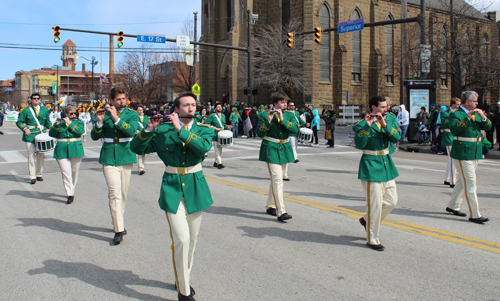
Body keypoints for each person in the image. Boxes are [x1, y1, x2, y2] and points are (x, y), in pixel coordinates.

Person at [131, 92, 213, 301]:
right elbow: (136, 148)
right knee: (181, 238)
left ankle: (181, 277)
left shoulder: (203, 130)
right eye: (186, 105)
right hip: (172, 188)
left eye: (193, 105)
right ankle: (183, 291)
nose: (191, 108)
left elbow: (203, 148)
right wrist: (149, 128)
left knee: (192, 240)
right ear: (176, 109)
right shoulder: (162, 131)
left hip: (195, 186)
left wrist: (180, 129)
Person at [91, 87, 140, 244]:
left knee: (123, 194)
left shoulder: (132, 114)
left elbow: (131, 131)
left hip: (125, 155)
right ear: (111, 101)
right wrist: (99, 123)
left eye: (124, 98)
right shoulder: (104, 115)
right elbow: (94, 136)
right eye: (118, 99)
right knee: (115, 193)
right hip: (108, 156)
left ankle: (118, 220)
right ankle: (118, 229)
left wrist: (116, 119)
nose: (122, 102)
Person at [354, 96, 400, 251]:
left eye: (387, 106)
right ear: (373, 107)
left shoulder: (390, 119)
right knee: (375, 205)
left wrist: (384, 124)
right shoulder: (362, 123)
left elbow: (396, 137)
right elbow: (359, 144)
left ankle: (367, 220)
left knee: (392, 201)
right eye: (382, 107)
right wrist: (368, 126)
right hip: (371, 164)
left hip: (386, 163)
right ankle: (373, 238)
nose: (386, 109)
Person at [446, 91, 492, 224]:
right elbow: (454, 129)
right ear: (468, 102)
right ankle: (475, 214)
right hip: (462, 152)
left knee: (463, 180)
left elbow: (488, 126)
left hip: (475, 150)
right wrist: (467, 118)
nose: (477, 103)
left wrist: (483, 117)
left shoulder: (477, 113)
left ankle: (453, 205)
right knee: (470, 183)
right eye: (475, 101)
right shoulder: (456, 114)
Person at [257, 91, 298, 222]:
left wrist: (283, 120)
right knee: (277, 179)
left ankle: (270, 205)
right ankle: (281, 211)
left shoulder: (290, 115)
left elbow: (295, 130)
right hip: (271, 148)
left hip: (284, 148)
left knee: (276, 179)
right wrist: (269, 121)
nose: (285, 104)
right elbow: (259, 133)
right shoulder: (264, 114)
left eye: (285, 102)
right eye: (282, 102)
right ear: (275, 104)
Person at [49, 106, 85, 204]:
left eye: (74, 113)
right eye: (71, 113)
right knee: (66, 172)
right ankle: (70, 193)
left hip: (75, 148)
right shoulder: (59, 123)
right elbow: (51, 134)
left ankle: (71, 189)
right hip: (62, 149)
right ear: (66, 114)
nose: (73, 115)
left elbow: (80, 132)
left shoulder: (79, 122)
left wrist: (70, 123)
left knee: (74, 172)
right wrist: (56, 125)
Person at [16, 93, 51, 184]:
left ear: (40, 99)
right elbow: (19, 122)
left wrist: (52, 130)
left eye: (37, 98)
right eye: (34, 98)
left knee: (40, 155)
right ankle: (32, 176)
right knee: (31, 156)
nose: (36, 100)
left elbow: (48, 123)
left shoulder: (45, 110)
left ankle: (39, 174)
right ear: (31, 100)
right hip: (30, 135)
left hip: (41, 134)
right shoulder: (26, 110)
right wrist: (24, 128)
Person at [204, 103, 232, 169]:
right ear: (215, 108)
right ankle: (219, 163)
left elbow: (224, 124)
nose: (220, 108)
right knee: (217, 149)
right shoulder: (212, 116)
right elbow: (206, 123)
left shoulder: (223, 116)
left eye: (220, 107)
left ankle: (216, 162)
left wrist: (228, 127)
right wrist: (212, 127)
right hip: (215, 134)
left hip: (221, 134)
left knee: (220, 149)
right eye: (218, 107)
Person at [442, 98, 461, 188]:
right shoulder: (445, 112)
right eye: (457, 104)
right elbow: (444, 124)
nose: (458, 106)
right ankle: (452, 181)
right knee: (453, 159)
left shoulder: (459, 112)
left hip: (456, 136)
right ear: (452, 104)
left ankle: (447, 178)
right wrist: (450, 116)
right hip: (449, 136)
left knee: (451, 159)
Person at [136, 105, 149, 175]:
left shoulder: (146, 118)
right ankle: (141, 168)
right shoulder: (135, 118)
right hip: (137, 137)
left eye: (141, 110)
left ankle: (142, 167)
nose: (140, 111)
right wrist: (136, 131)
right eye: (139, 110)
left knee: (143, 152)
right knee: (139, 153)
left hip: (145, 136)